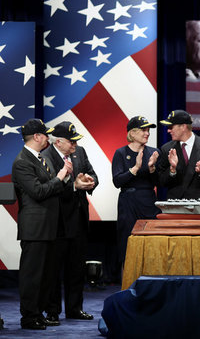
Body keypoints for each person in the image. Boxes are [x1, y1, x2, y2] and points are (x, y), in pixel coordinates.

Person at [11, 119, 71, 330]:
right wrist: (61, 176)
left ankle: (38, 312)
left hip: (48, 227)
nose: (49, 138)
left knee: (46, 276)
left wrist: (64, 180)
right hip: (35, 229)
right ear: (36, 136)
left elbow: (49, 188)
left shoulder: (38, 159)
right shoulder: (22, 162)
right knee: (32, 275)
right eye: (45, 134)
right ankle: (28, 317)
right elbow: (38, 192)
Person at [41, 121, 98, 323]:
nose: (75, 145)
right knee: (54, 269)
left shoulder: (80, 152)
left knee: (77, 268)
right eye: (71, 142)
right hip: (58, 222)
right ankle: (53, 310)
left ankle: (75, 308)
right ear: (59, 142)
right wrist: (73, 186)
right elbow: (49, 189)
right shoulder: (46, 157)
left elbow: (93, 175)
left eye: (75, 141)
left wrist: (89, 181)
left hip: (79, 220)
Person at [112, 116, 161, 266]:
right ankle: (127, 280)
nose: (147, 133)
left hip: (148, 201)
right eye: (143, 130)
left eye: (148, 130)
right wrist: (135, 169)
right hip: (128, 203)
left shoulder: (154, 152)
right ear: (132, 133)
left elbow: (158, 182)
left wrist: (152, 168)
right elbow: (117, 181)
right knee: (127, 242)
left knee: (150, 243)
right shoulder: (120, 153)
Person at [157, 110, 200, 199]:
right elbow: (161, 182)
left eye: (171, 127)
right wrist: (172, 170)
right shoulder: (166, 149)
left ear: (183, 127)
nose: (168, 131)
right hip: (175, 204)